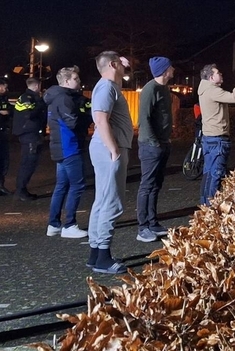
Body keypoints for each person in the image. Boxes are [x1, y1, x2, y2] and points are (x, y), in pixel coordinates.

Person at [87, 51, 134, 274]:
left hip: (106, 148)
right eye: (121, 64)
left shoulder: (107, 85)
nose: (125, 68)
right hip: (110, 149)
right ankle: (103, 257)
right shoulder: (106, 87)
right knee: (112, 203)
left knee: (102, 200)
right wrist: (114, 149)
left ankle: (96, 253)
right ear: (113, 64)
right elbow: (101, 119)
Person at [44, 66, 91, 239]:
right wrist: (87, 118)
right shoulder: (64, 98)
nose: (79, 81)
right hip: (69, 146)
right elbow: (72, 123)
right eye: (76, 79)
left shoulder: (55, 97)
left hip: (60, 147)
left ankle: (54, 224)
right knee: (77, 185)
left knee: (62, 186)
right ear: (66, 81)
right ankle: (69, 224)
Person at [197, 63, 235, 205]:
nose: (221, 75)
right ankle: (211, 208)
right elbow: (234, 97)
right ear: (211, 77)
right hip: (218, 138)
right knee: (216, 174)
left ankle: (205, 205)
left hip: (209, 138)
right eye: (218, 73)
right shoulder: (212, 90)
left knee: (208, 174)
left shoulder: (205, 90)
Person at [136, 56, 174, 243]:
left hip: (162, 143)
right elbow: (144, 118)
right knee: (147, 185)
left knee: (156, 185)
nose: (173, 69)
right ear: (164, 70)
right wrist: (154, 143)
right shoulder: (150, 89)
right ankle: (142, 227)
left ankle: (152, 222)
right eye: (170, 67)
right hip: (152, 146)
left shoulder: (163, 88)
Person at [12, 77, 47, 201]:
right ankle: (21, 190)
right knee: (27, 162)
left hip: (32, 133)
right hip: (28, 134)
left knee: (30, 162)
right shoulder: (26, 98)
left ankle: (22, 189)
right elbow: (30, 114)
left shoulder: (30, 98)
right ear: (37, 86)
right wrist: (42, 102)